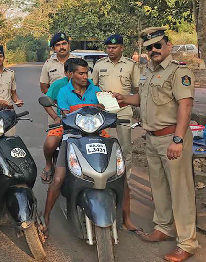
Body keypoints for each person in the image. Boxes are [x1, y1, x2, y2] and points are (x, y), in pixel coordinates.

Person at [114, 27, 198, 262]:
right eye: (149, 47)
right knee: (159, 188)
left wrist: (178, 140)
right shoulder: (148, 72)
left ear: (168, 46)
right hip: (151, 138)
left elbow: (185, 107)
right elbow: (141, 99)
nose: (153, 50)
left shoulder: (178, 72)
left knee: (180, 192)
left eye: (157, 45)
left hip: (172, 138)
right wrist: (122, 98)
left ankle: (187, 242)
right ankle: (163, 228)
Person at [43, 58, 104, 232]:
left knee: (118, 173)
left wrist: (103, 108)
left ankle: (126, 218)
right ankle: (46, 215)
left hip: (97, 135)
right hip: (71, 135)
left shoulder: (97, 90)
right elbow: (66, 115)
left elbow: (106, 110)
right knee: (58, 178)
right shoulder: (63, 92)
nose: (85, 77)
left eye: (86, 73)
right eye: (81, 73)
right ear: (70, 74)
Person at [92, 34, 141, 232]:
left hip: (123, 112)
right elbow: (93, 87)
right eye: (108, 47)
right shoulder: (99, 65)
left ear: (122, 47)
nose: (111, 50)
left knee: (125, 150)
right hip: (102, 113)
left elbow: (138, 91)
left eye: (114, 47)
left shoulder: (131, 65)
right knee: (100, 147)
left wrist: (125, 99)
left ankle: (124, 184)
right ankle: (101, 180)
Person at [40, 58, 74, 183]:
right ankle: (49, 165)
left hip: (85, 124)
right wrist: (55, 117)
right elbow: (47, 101)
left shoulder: (91, 86)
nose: (82, 76)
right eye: (76, 72)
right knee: (50, 144)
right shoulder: (59, 85)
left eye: (84, 73)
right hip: (64, 123)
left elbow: (99, 101)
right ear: (67, 73)